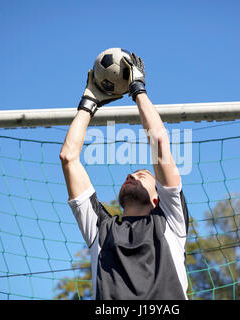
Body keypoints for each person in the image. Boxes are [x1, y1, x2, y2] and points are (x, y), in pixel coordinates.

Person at [59, 52, 189, 300]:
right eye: (133, 173)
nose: (131, 174)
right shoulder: (100, 228)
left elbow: (159, 142)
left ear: (157, 199)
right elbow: (68, 157)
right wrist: (89, 102)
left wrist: (137, 89)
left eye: (142, 174)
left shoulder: (171, 221)